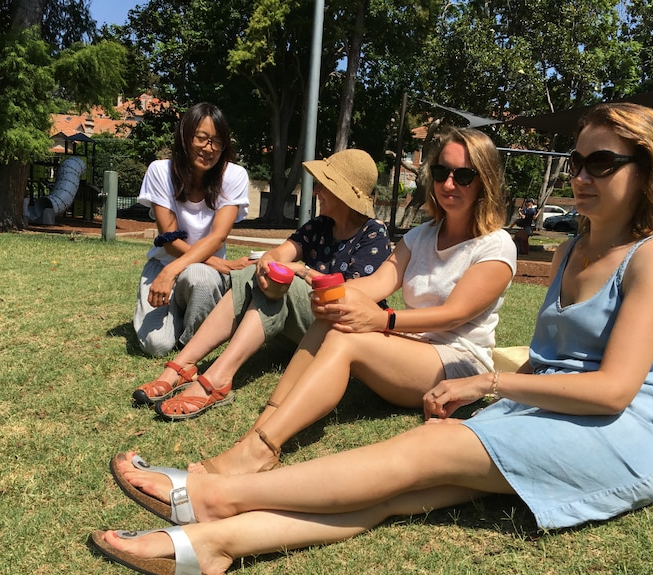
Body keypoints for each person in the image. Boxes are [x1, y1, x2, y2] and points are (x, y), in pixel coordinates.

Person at [90, 103, 653, 575]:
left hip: (625, 429)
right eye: (577, 161)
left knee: (419, 456)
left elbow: (617, 389)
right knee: (400, 495)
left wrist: (488, 381)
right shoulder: (573, 246)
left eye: (602, 163)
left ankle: (216, 494)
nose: (582, 176)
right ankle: (216, 544)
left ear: (649, 172)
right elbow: (384, 287)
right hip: (548, 402)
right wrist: (328, 292)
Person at [179, 125, 516, 474]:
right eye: (441, 172)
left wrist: (382, 321)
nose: (448, 184)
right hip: (410, 349)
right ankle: (264, 425)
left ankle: (262, 447)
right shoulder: (421, 235)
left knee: (346, 340)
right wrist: (327, 296)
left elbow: (453, 315)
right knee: (334, 317)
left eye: (463, 175)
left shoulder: (495, 245)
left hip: (457, 363)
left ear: (484, 180)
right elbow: (376, 282)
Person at [133, 149, 392, 420]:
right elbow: (283, 252)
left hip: (340, 329)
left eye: (323, 185)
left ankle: (211, 375)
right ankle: (184, 365)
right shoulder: (320, 225)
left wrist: (301, 272)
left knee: (285, 282)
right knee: (257, 274)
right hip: (309, 322)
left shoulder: (374, 234)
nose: (317, 191)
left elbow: (353, 294)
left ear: (342, 195)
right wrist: (268, 262)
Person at [133, 103, 251, 357]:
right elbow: (169, 239)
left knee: (197, 275)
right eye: (201, 138)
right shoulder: (160, 171)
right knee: (157, 346)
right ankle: (184, 315)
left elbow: (218, 236)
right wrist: (218, 264)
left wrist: (178, 268)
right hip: (166, 264)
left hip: (203, 274)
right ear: (185, 136)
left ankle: (192, 341)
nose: (209, 148)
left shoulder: (234, 175)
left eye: (217, 142)